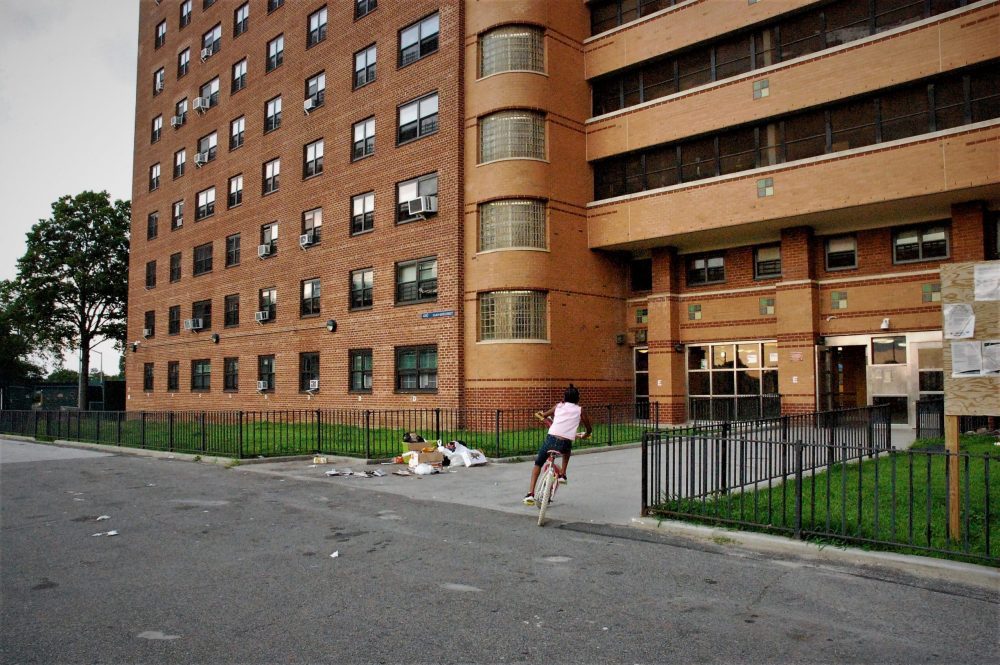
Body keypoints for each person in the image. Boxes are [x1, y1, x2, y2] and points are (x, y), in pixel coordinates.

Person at [523, 384, 592, 506]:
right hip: (564, 442)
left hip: (551, 439)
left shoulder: (558, 406)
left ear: (564, 397)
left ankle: (530, 494)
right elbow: (589, 428)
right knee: (567, 450)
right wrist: (586, 435)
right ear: (577, 398)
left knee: (538, 463)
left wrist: (541, 414)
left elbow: (544, 415)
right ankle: (563, 474)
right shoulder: (580, 410)